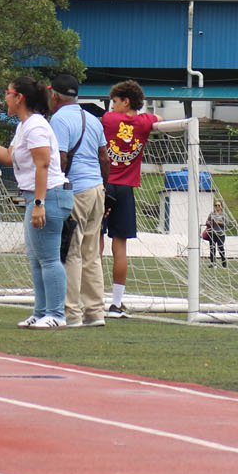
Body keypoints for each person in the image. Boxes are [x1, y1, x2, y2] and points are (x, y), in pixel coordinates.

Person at [0, 77, 73, 329]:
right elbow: (8, 156)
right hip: (37, 195)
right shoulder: (24, 126)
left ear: (20, 98)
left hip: (48, 194)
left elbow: (43, 164)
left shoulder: (36, 126)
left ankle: (56, 315)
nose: (5, 97)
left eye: (8, 93)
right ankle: (41, 312)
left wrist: (39, 203)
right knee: (36, 259)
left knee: (48, 259)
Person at [48, 73, 109, 327]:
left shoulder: (59, 119)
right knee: (92, 253)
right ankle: (95, 312)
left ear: (55, 95)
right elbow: (104, 157)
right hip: (97, 189)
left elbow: (61, 158)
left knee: (71, 252)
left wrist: (57, 184)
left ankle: (70, 312)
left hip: (75, 190)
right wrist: (104, 187)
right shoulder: (92, 119)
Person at [101, 79, 160, 318]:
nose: (112, 106)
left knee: (94, 241)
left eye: (114, 101)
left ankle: (92, 298)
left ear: (125, 101)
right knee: (120, 246)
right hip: (126, 188)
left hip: (104, 184)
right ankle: (116, 303)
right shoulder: (145, 122)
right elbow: (157, 120)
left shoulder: (109, 119)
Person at [205, 200, 228, 268]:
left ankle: (223, 261)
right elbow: (207, 221)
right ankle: (213, 263)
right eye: (216, 205)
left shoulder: (224, 214)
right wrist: (209, 223)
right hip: (213, 233)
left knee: (220, 248)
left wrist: (219, 222)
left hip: (221, 234)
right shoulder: (212, 214)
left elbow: (227, 223)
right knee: (212, 248)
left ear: (221, 207)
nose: (217, 207)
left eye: (218, 205)